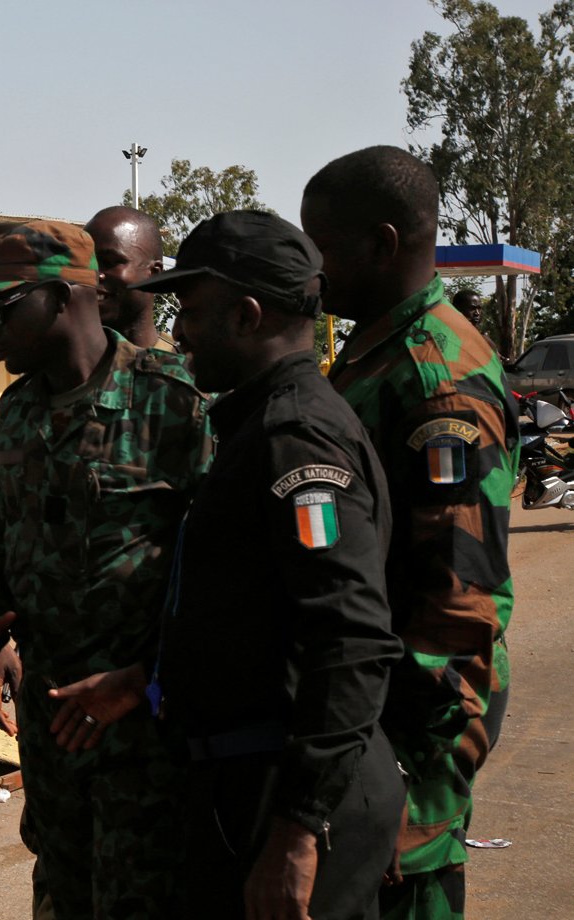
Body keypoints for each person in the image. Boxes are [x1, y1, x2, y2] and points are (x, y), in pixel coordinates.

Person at [132, 211, 405, 919]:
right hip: (256, 783)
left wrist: (299, 828)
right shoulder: (261, 426)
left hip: (283, 794)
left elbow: (352, 638)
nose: (178, 332)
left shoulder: (295, 438)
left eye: (190, 313)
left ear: (248, 316)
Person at [0, 220, 212, 918]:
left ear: (67, 296)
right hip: (51, 730)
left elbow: (222, 572)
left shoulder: (173, 400)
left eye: (3, 307)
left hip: (145, 734)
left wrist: (150, 675)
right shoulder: (17, 410)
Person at [302, 146, 519, 919]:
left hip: (414, 725)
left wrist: (417, 782)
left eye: (321, 245)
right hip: (374, 710)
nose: (313, 268)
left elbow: (459, 604)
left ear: (383, 243)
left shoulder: (435, 376)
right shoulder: (372, 353)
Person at [84, 205, 177, 351]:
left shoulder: (190, 368)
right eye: (87, 263)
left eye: (110, 262)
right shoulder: (59, 366)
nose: (94, 274)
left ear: (153, 274)